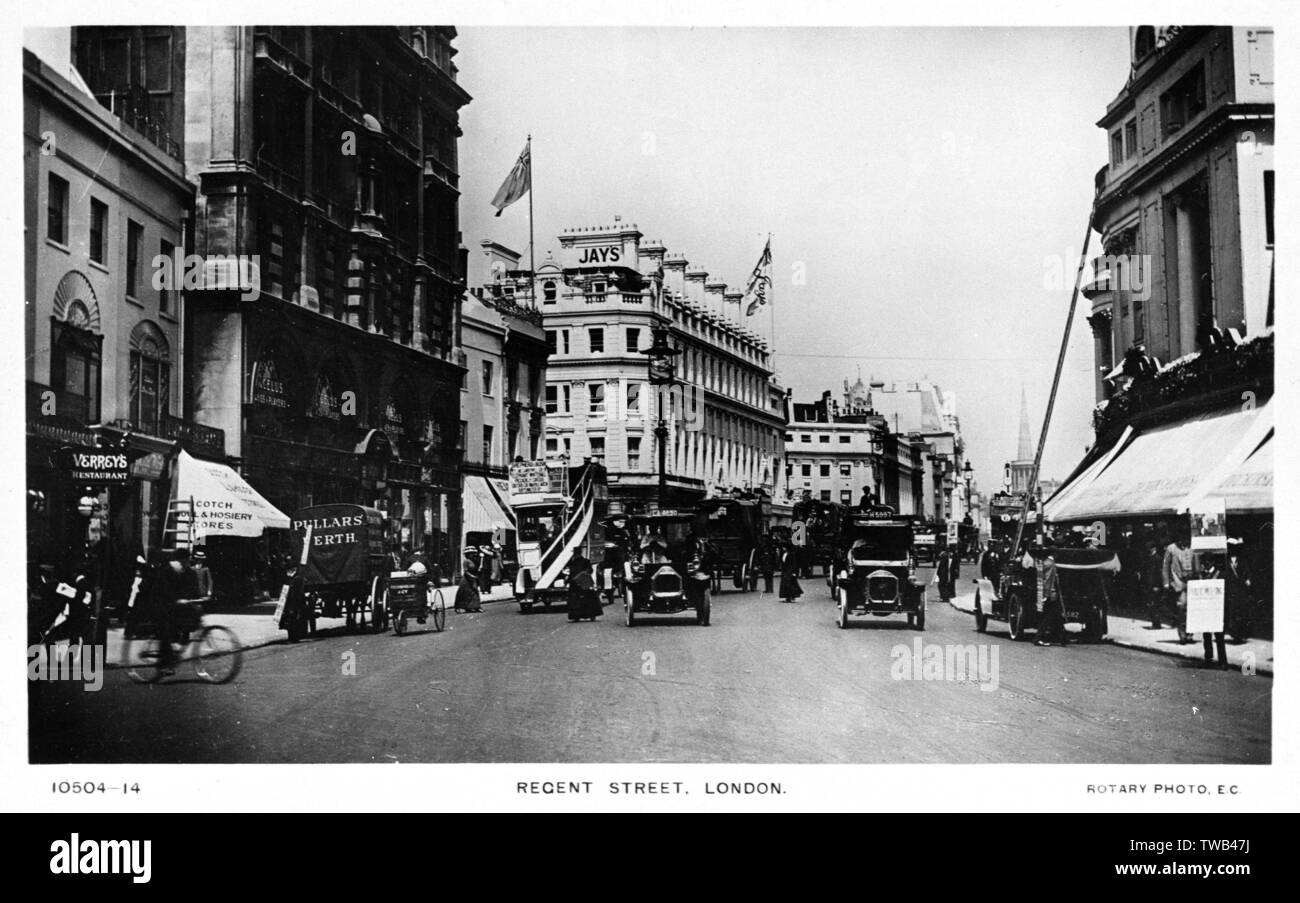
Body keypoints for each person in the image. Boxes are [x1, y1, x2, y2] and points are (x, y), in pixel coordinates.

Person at [1197, 555, 1229, 668]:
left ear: (1213, 562)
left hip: (1217, 610)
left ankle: (1223, 661)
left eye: (1208, 562)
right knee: (1206, 635)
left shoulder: (1221, 574)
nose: (1206, 564)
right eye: (1204, 562)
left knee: (1219, 636)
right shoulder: (1201, 575)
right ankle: (1208, 658)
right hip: (1206, 609)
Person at [1163, 533, 1194, 643]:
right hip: (1179, 582)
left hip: (1192, 582)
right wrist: (1166, 582)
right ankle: (1182, 634)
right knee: (1182, 608)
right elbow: (1166, 565)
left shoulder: (1193, 547)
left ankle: (1190, 633)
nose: (1184, 541)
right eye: (1181, 539)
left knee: (1193, 609)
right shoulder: (1171, 549)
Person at [1034, 551, 1067, 646]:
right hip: (1050, 594)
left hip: (1047, 593)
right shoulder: (1051, 565)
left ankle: (1061, 638)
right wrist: (1047, 595)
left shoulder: (1044, 563)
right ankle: (1039, 638)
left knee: (1055, 615)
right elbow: (1048, 581)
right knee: (1050, 616)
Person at [457, 546, 483, 613]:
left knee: (474, 592)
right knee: (466, 593)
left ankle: (475, 606)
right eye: (470, 553)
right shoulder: (466, 561)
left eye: (473, 553)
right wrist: (471, 576)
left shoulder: (474, 561)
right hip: (466, 579)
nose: (472, 554)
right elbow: (465, 571)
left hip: (473, 578)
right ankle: (465, 607)